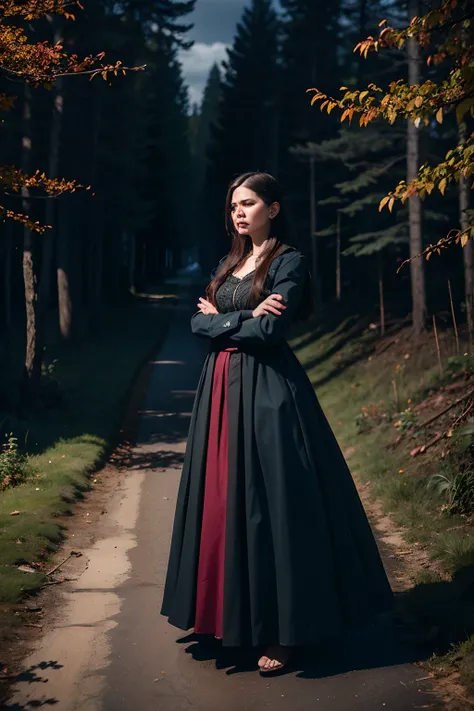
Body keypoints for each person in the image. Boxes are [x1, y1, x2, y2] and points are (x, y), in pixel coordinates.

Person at [161, 171, 393, 673]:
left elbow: (271, 330)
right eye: (233, 206)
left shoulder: (289, 261)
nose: (238, 213)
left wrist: (228, 322)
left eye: (248, 204)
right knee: (224, 500)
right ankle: (227, 617)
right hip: (220, 392)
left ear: (274, 208)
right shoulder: (231, 262)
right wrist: (239, 319)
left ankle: (286, 632)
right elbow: (198, 322)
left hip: (268, 393)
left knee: (275, 503)